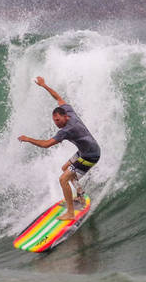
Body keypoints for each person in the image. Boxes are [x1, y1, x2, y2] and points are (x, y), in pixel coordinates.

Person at [17, 76, 101, 221]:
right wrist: (44, 85)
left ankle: (70, 213)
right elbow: (58, 97)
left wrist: (28, 139)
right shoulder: (68, 111)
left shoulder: (67, 129)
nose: (56, 123)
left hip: (90, 155)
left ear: (65, 117)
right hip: (85, 150)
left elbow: (46, 144)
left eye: (58, 120)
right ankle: (80, 195)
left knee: (63, 179)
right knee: (65, 169)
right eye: (54, 120)